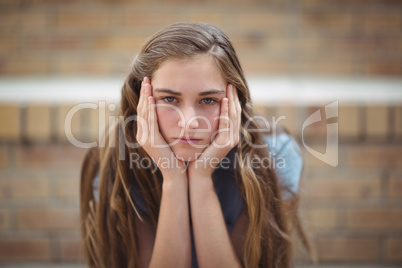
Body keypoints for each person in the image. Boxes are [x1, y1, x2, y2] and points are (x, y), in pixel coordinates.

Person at [80, 22, 311, 268]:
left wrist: (201, 179)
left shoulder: (275, 154)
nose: (189, 122)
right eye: (169, 99)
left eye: (208, 100)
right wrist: (173, 178)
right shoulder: (113, 160)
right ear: (141, 100)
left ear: (234, 103)